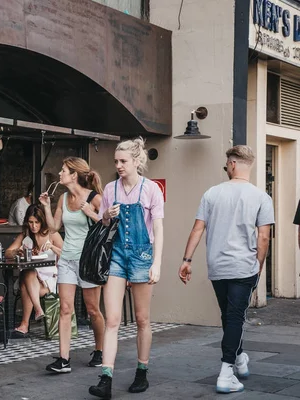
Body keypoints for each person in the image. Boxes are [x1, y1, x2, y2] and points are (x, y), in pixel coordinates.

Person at [177, 145, 274, 394]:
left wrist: (187, 260)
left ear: (231, 164)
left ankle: (239, 358)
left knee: (228, 316)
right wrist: (259, 266)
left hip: (217, 266)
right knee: (234, 317)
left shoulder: (211, 193)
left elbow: (197, 229)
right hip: (244, 267)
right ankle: (226, 371)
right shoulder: (262, 197)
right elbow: (264, 238)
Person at [89, 137, 164, 398]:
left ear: (136, 161)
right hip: (117, 255)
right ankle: (106, 378)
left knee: (142, 318)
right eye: (116, 161)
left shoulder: (151, 189)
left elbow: (158, 227)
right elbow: (101, 222)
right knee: (112, 319)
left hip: (143, 255)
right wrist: (106, 215)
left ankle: (142, 371)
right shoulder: (110, 189)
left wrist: (157, 262)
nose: (118, 165)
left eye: (123, 161)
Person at [39, 157, 105, 373]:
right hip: (67, 259)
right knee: (65, 309)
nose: (59, 173)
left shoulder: (95, 198)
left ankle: (100, 350)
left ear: (74, 175)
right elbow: (54, 227)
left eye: (63, 170)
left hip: (88, 261)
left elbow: (109, 224)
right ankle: (64, 359)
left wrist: (90, 213)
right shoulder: (63, 198)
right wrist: (47, 207)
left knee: (93, 310)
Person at [5, 204, 63, 336]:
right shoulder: (26, 235)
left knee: (25, 283)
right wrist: (17, 252)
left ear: (42, 221)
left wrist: (52, 248)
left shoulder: (52, 234)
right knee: (28, 272)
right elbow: (7, 253)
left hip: (49, 279)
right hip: (33, 277)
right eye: (31, 222)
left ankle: (26, 324)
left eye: (37, 222)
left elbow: (66, 254)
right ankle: (37, 309)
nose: (34, 226)